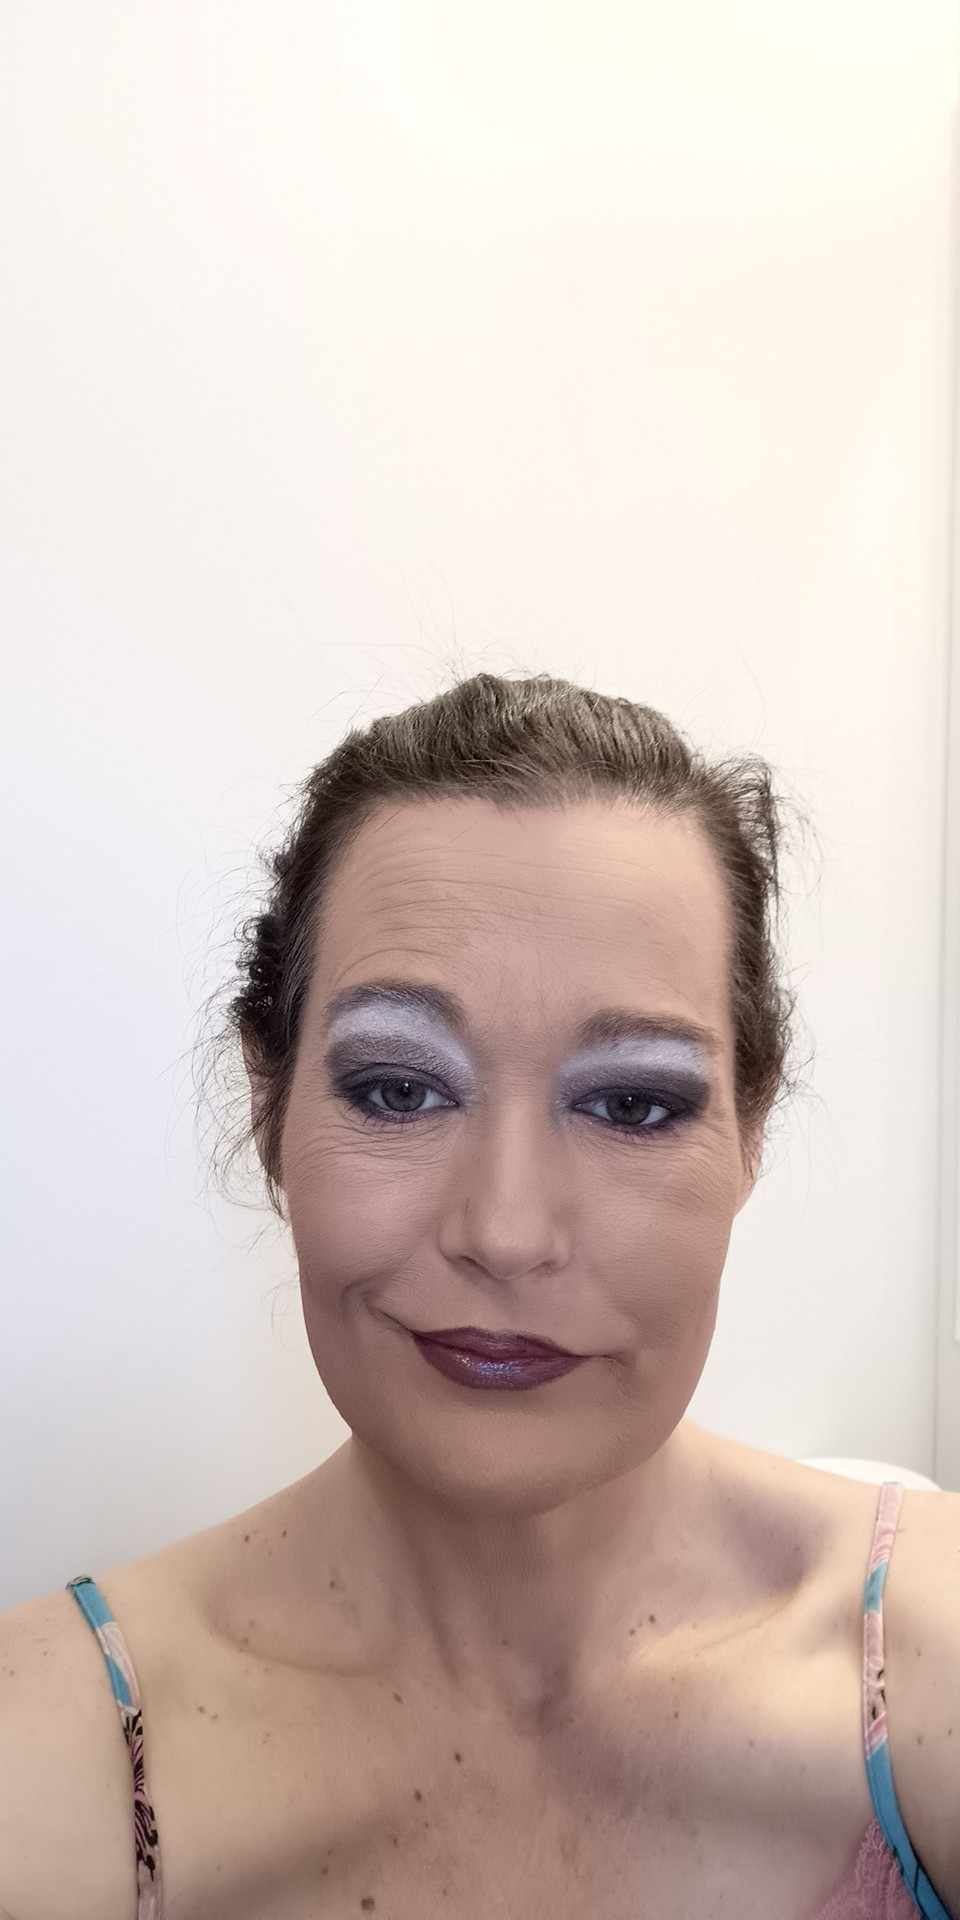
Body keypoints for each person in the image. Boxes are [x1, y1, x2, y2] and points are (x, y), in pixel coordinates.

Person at [1, 669, 958, 1920]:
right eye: (399, 1089)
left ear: (751, 1134)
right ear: (267, 1104)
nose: (505, 1234)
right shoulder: (56, 1755)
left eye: (632, 1104)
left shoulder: (921, 1654)